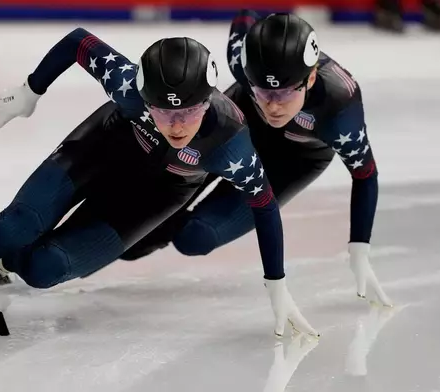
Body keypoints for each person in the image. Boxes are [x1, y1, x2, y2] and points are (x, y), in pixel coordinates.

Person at [0, 27, 318, 337]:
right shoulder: (128, 87)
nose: (177, 124)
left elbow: (264, 204)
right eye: (163, 111)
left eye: (189, 112)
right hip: (101, 151)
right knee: (20, 223)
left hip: (155, 195)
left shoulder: (231, 140)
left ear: (210, 98)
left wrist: (276, 284)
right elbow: (79, 42)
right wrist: (31, 90)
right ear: (144, 95)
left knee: (43, 271)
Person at [118, 10, 393, 308]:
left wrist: (359, 249)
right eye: (263, 90)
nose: (273, 106)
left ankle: (172, 224)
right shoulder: (242, 61)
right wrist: (272, 27)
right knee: (132, 237)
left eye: (286, 93)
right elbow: (244, 16)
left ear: (311, 78)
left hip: (294, 162)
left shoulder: (340, 102)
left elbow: (365, 175)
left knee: (195, 238)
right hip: (234, 131)